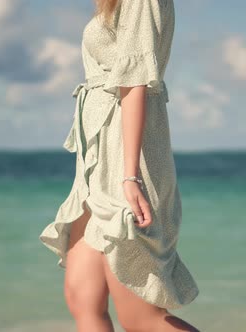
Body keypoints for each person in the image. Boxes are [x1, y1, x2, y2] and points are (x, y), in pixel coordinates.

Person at [39, 0, 200, 330]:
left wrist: (129, 176)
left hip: (127, 158)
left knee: (141, 319)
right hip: (98, 163)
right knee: (82, 296)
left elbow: (136, 79)